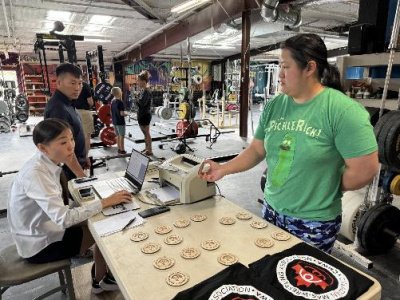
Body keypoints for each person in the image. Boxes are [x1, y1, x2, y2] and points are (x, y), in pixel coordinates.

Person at [200, 33, 379, 253]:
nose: (280, 75)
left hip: (312, 222)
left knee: (303, 284)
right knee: (269, 275)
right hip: (272, 210)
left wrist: (324, 186)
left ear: (309, 68)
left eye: (285, 67)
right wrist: (223, 169)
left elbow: (365, 170)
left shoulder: (343, 111)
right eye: (279, 67)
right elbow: (257, 149)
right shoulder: (276, 105)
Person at [7, 118, 133, 293]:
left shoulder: (45, 161)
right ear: (42, 147)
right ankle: (100, 280)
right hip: (39, 245)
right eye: (63, 142)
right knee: (102, 226)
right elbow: (64, 219)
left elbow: (60, 212)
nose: (71, 146)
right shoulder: (36, 174)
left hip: (42, 229)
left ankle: (101, 274)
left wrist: (96, 195)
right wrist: (105, 201)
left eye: (72, 139)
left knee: (99, 215)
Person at [44, 63, 87, 180]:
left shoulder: (68, 103)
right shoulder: (58, 109)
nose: (77, 88)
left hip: (75, 166)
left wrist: (84, 158)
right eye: (72, 83)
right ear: (58, 83)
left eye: (80, 83)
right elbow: (63, 148)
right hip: (68, 172)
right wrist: (81, 176)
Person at [74, 80, 94, 157]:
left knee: (76, 136)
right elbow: (90, 102)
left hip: (73, 112)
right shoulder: (84, 85)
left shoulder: (68, 84)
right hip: (84, 113)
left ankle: (78, 157)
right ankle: (85, 158)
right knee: (86, 137)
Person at [136, 70, 153, 156]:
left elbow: (142, 103)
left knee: (146, 133)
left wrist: (136, 98)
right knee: (145, 134)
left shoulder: (146, 91)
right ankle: (147, 148)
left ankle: (149, 150)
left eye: (138, 80)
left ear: (143, 81)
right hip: (142, 114)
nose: (137, 82)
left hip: (145, 115)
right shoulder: (143, 91)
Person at [111, 86, 128, 154]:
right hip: (120, 122)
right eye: (121, 91)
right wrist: (127, 114)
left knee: (117, 136)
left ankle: (118, 148)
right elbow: (122, 113)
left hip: (114, 121)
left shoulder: (112, 101)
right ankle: (122, 150)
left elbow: (111, 112)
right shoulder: (120, 102)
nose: (122, 92)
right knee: (122, 136)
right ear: (119, 93)